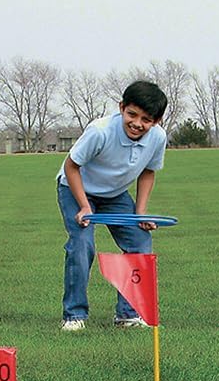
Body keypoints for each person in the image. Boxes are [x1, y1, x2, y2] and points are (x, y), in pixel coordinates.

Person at [56, 80, 168, 330]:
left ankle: (127, 315)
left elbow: (148, 171)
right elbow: (71, 166)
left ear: (157, 121)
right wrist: (85, 206)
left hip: (115, 194)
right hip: (77, 189)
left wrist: (140, 213)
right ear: (121, 108)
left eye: (146, 119)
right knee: (82, 244)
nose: (137, 123)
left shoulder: (158, 138)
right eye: (132, 114)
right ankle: (74, 316)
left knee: (139, 242)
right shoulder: (100, 131)